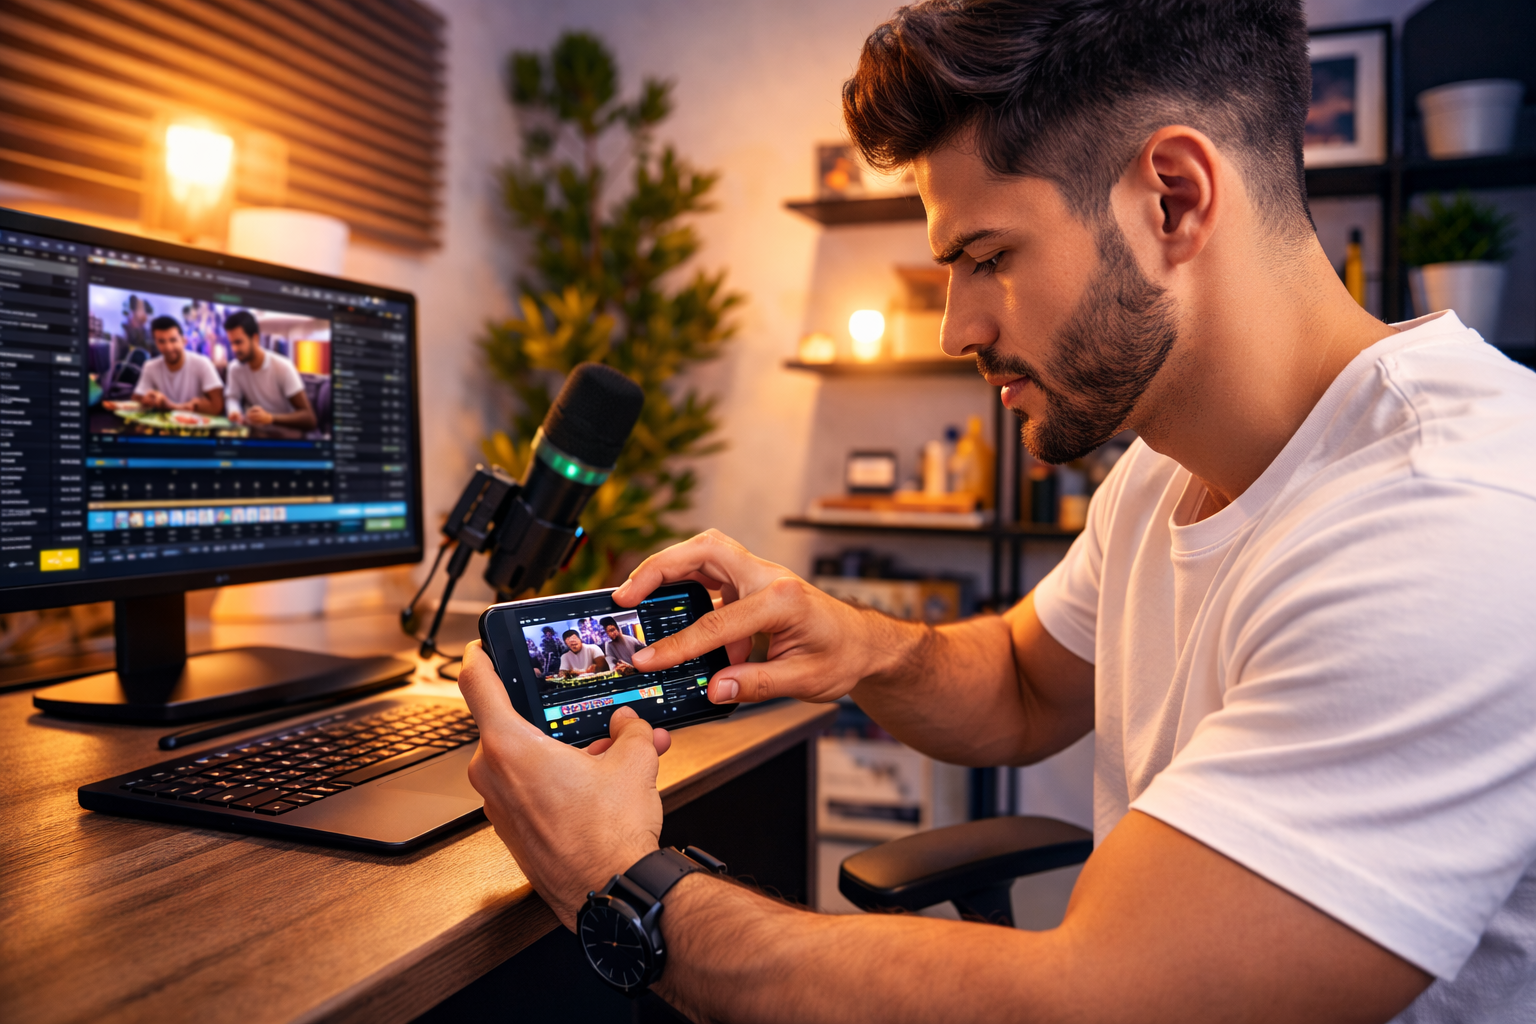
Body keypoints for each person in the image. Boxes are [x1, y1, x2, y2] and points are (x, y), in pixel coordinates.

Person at [454, 1, 1536, 1021]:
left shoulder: (1450, 520)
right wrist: (855, 644)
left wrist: (616, 879)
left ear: (1172, 199)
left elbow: (1091, 1003)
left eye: (987, 258)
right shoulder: (1162, 471)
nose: (955, 329)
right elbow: (1022, 684)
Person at [222, 310, 318, 432]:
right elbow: (232, 398)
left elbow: (310, 419)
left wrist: (270, 418)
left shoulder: (283, 367)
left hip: (286, 439)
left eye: (238, 342)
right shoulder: (234, 368)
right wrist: (234, 411)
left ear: (255, 338)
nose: (234, 349)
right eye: (231, 343)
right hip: (256, 437)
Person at [111, 316, 223, 414]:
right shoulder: (150, 366)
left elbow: (217, 406)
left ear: (183, 341)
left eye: (173, 340)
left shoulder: (203, 363)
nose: (168, 347)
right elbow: (136, 400)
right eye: (161, 341)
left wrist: (171, 406)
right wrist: (148, 400)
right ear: (156, 343)